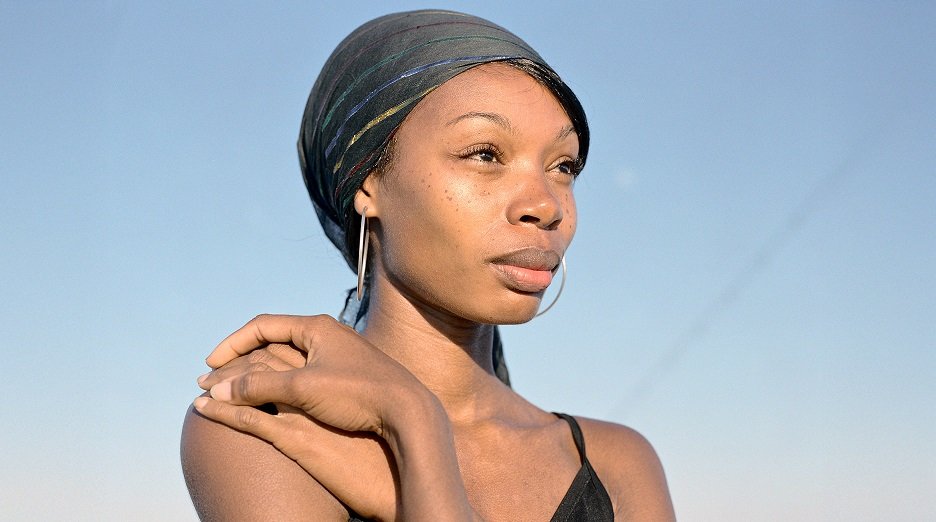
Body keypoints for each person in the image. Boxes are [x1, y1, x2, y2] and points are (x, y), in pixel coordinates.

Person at [181, 9, 674, 521]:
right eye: (485, 154)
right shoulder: (267, 420)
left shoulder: (614, 463)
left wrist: (415, 430)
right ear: (367, 183)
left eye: (563, 166)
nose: (547, 205)